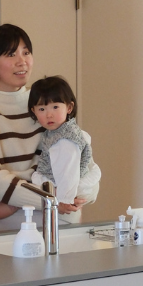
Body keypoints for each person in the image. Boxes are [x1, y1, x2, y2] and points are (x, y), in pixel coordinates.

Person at [0, 23, 100, 232]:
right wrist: (52, 200)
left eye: (26, 52)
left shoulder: (46, 104)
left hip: (60, 225)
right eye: (11, 54)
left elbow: (82, 162)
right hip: (4, 231)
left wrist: (82, 194)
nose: (22, 61)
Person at [26, 75, 97, 211]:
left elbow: (68, 173)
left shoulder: (65, 139)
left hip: (66, 189)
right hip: (62, 184)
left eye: (55, 107)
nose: (49, 115)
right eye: (42, 109)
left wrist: (64, 200)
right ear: (33, 111)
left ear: (69, 108)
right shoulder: (56, 132)